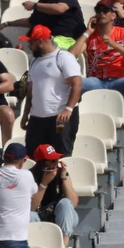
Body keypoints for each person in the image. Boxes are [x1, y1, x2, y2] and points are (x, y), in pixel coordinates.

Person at [21, 24, 83, 158]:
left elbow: (77, 84)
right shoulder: (34, 61)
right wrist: (26, 114)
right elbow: (31, 90)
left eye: (31, 42)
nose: (29, 46)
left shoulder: (63, 57)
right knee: (33, 156)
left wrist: (68, 109)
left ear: (40, 42)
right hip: (37, 118)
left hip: (59, 116)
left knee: (61, 156)